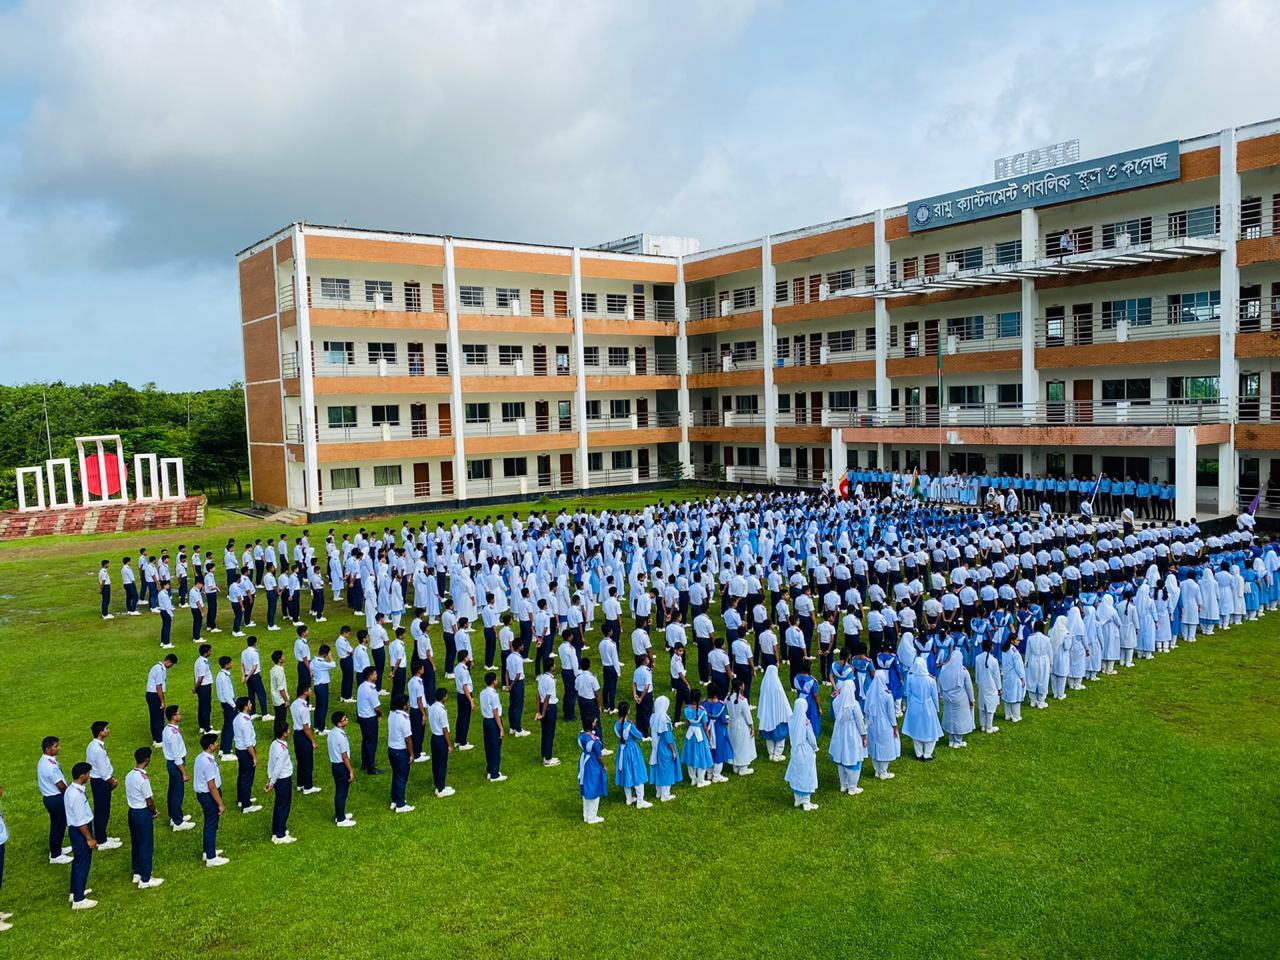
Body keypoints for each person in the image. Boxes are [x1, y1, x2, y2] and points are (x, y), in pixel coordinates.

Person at [125, 747, 163, 889]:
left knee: (136, 842)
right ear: (147, 760)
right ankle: (145, 878)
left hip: (132, 812)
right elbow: (149, 801)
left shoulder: (129, 775)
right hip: (142, 813)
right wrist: (153, 812)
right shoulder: (143, 779)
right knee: (146, 845)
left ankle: (137, 872)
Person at [193, 733, 229, 867]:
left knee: (210, 823)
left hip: (204, 794)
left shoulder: (200, 757)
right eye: (215, 743)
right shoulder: (208, 763)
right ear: (210, 746)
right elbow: (212, 786)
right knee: (211, 824)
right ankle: (211, 858)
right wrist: (220, 804)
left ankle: (208, 850)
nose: (217, 744)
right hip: (209, 795)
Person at [65, 762, 98, 908]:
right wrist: (89, 838)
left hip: (76, 829)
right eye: (88, 774)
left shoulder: (71, 789)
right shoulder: (76, 796)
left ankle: (75, 891)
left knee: (78, 862)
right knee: (82, 863)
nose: (89, 776)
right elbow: (80, 822)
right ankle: (79, 899)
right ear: (82, 776)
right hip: (81, 831)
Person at [85, 721, 122, 849]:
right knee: (103, 811)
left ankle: (102, 836)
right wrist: (112, 781)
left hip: (97, 781)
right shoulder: (98, 749)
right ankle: (102, 841)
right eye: (106, 728)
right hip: (101, 782)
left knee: (101, 809)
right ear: (100, 732)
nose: (108, 730)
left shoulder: (92, 745)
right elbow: (103, 771)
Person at [827, 679, 866, 795]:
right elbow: (860, 722)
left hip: (839, 732)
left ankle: (843, 784)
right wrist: (864, 735)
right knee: (853, 758)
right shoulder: (854, 705)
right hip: (851, 734)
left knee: (841, 758)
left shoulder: (836, 702)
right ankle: (852, 787)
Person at [38, 736, 73, 864]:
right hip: (55, 798)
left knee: (57, 824)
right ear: (48, 749)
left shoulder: (46, 761)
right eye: (56, 746)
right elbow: (61, 786)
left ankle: (56, 848)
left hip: (51, 798)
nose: (59, 748)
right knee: (58, 825)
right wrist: (70, 794)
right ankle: (55, 855)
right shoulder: (49, 766)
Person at [160, 705, 194, 832]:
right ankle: (178, 822)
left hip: (172, 764)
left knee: (172, 791)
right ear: (173, 717)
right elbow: (177, 756)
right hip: (176, 765)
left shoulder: (168, 729)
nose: (180, 715)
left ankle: (174, 816)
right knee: (177, 794)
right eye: (178, 713)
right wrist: (184, 772)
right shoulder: (173, 734)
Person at [902, 656, 942, 760]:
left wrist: (909, 705)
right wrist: (937, 708)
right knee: (930, 729)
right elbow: (934, 696)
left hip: (914, 705)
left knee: (916, 729)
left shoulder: (910, 678)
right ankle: (927, 753)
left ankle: (919, 753)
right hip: (928, 706)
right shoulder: (931, 680)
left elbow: (908, 693)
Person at [264, 721, 297, 843]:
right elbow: (278, 767)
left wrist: (270, 778)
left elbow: (271, 763)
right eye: (288, 730)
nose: (289, 731)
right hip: (283, 780)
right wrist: (271, 782)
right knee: (283, 806)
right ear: (284, 733)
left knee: (279, 805)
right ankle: (280, 835)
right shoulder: (282, 749)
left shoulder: (274, 744)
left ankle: (276, 831)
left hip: (278, 779)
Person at [784, 698, 819, 810]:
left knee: (797, 773)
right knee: (806, 775)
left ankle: (797, 799)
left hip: (795, 750)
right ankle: (806, 802)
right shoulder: (805, 722)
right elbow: (811, 738)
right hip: (805, 750)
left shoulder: (791, 719)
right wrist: (815, 747)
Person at [612, 702, 650, 807]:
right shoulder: (629, 725)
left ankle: (628, 799)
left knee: (626, 772)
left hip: (622, 750)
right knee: (637, 773)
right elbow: (639, 736)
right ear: (627, 711)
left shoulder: (616, 724)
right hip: (631, 750)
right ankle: (640, 801)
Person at [937, 643, 975, 748]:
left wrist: (941, 693)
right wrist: (972, 700)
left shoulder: (944, 669)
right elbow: (969, 687)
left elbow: (940, 682)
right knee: (960, 719)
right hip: (960, 698)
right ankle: (958, 741)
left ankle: (951, 740)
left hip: (947, 697)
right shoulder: (963, 671)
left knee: (949, 717)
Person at [865, 669, 900, 780]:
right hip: (885, 724)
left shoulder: (870, 692)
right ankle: (883, 772)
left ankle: (877, 770)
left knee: (874, 745)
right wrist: (895, 727)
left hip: (872, 723)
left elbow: (866, 709)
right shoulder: (887, 695)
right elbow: (891, 714)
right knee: (885, 747)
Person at [648, 696, 681, 802]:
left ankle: (659, 792)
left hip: (657, 746)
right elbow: (667, 737)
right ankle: (665, 795)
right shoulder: (664, 719)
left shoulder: (654, 717)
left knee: (659, 768)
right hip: (664, 747)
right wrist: (673, 751)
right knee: (667, 770)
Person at [232, 697, 262, 813]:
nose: (251, 705)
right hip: (246, 751)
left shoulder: (237, 718)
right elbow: (248, 743)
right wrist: (254, 757)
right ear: (245, 707)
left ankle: (242, 798)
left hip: (239, 750)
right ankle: (246, 805)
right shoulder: (246, 722)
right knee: (247, 778)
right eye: (249, 703)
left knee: (242, 775)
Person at [756, 664, 791, 762]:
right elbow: (783, 701)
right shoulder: (778, 686)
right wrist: (788, 713)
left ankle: (771, 753)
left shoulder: (764, 685)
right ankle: (777, 754)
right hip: (778, 715)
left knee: (768, 736)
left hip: (767, 715)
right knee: (780, 735)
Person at [327, 711, 357, 826]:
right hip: (341, 766)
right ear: (339, 723)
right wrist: (350, 770)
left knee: (340, 791)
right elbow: (344, 756)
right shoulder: (341, 736)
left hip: (335, 765)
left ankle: (340, 814)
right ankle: (341, 819)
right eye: (345, 719)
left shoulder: (332, 733)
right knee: (342, 793)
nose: (347, 720)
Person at [387, 693, 415, 811]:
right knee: (402, 777)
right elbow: (408, 739)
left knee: (396, 775)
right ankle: (400, 804)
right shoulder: (404, 719)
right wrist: (412, 754)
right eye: (407, 703)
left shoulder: (392, 714)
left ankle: (395, 799)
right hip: (400, 751)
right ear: (404, 706)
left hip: (391, 749)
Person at [680, 690, 713, 787]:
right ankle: (701, 780)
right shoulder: (702, 711)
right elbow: (705, 727)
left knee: (690, 755)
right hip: (700, 735)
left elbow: (688, 723)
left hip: (690, 735)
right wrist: (709, 738)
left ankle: (693, 778)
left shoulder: (687, 709)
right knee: (702, 756)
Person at [578, 716, 609, 824]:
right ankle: (592, 817)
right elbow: (599, 757)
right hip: (593, 763)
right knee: (594, 788)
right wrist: (604, 766)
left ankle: (586, 815)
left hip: (584, 762)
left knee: (585, 787)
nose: (596, 723)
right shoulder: (594, 741)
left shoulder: (581, 736)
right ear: (591, 724)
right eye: (594, 722)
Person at [290, 686, 320, 795]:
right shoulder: (304, 708)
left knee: (300, 761)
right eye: (309, 689)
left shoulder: (294, 704)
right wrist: (313, 741)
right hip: (303, 735)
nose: (311, 691)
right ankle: (308, 786)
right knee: (308, 762)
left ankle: (300, 784)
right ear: (305, 692)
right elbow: (306, 728)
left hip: (296, 735)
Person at [479, 673, 506, 783]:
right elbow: (495, 712)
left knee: (488, 746)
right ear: (494, 681)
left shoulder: (482, 693)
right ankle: (495, 774)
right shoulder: (494, 695)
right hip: (493, 721)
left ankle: (490, 770)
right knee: (495, 747)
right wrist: (501, 728)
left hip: (486, 721)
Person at [428, 689, 456, 798]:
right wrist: (449, 745)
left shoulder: (432, 707)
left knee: (436, 763)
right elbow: (445, 730)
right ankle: (441, 789)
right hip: (440, 739)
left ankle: (439, 785)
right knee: (441, 764)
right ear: (444, 697)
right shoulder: (442, 711)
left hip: (434, 737)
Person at [356, 667, 383, 775]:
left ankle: (365, 763)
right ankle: (371, 767)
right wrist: (380, 715)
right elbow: (377, 707)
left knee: (366, 741)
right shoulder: (371, 689)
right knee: (372, 743)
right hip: (370, 718)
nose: (377, 676)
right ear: (370, 676)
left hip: (362, 717)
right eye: (375, 674)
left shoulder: (362, 686)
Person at [726, 680, 757, 775]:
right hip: (741, 725)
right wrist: (751, 726)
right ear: (740, 687)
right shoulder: (743, 700)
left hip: (731, 723)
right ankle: (743, 768)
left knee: (734, 744)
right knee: (743, 745)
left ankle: (735, 766)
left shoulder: (728, 698)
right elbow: (747, 715)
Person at [145, 655, 176, 747]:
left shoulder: (157, 667)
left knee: (154, 717)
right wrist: (162, 701)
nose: (171, 667)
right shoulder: (160, 670)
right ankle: (159, 740)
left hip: (151, 695)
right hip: (155, 695)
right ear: (168, 662)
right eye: (171, 664)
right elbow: (159, 687)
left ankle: (156, 739)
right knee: (158, 718)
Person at [974, 638, 1003, 733]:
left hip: (982, 685)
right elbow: (997, 676)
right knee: (990, 707)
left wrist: (978, 682)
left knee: (982, 705)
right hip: (991, 686)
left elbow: (977, 673)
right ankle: (989, 727)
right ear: (990, 647)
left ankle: (983, 725)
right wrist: (999, 688)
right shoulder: (994, 660)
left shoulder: (978, 658)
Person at [704, 687, 731, 783]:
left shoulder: (704, 704)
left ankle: (709, 773)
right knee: (719, 752)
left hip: (707, 730)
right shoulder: (720, 705)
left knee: (710, 751)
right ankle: (716, 775)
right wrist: (727, 721)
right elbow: (723, 720)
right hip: (718, 731)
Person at [535, 660, 559, 767]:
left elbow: (538, 694)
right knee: (549, 733)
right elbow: (547, 698)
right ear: (551, 667)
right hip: (549, 707)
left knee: (545, 732)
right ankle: (548, 759)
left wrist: (538, 711)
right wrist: (543, 713)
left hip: (542, 705)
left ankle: (545, 754)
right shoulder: (551, 680)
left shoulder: (541, 678)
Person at [1001, 637, 1026, 723]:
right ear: (1012, 641)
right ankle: (1016, 716)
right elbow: (1018, 667)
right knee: (1015, 695)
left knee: (1007, 695)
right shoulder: (1015, 652)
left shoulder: (1005, 649)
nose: (1019, 641)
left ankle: (1008, 714)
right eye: (1017, 640)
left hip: (1006, 674)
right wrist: (1022, 678)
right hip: (1014, 676)